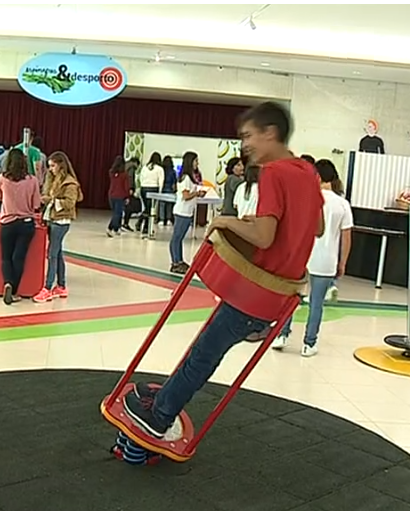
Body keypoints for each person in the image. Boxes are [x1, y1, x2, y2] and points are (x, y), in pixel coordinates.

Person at [123, 101, 325, 439]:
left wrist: (224, 220)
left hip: (254, 295)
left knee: (203, 354)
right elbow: (316, 227)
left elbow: (264, 236)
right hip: (279, 294)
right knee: (203, 348)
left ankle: (159, 416)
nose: (244, 145)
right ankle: (165, 395)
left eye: (248, 136)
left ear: (269, 133)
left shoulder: (274, 172)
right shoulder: (307, 171)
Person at [273, 159, 352, 357]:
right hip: (327, 260)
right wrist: (342, 262)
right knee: (316, 303)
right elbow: (346, 237)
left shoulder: (305, 199)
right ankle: (309, 343)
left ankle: (281, 335)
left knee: (291, 298)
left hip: (301, 256)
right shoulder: (342, 204)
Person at [34, 151, 83, 303]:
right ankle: (61, 286)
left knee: (52, 254)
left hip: (61, 222)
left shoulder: (70, 183)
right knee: (58, 253)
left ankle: (48, 288)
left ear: (61, 165)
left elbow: (69, 203)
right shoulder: (53, 179)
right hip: (52, 219)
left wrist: (51, 200)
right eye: (49, 166)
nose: (50, 169)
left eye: (53, 166)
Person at [0, 149, 41, 305]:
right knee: (19, 257)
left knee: (5, 257)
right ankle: (14, 290)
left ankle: (7, 283)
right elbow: (36, 204)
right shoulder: (32, 180)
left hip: (7, 223)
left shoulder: (2, 178)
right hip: (26, 223)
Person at [169, 152, 206, 274]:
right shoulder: (185, 178)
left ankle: (180, 260)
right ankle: (175, 262)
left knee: (179, 238)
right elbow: (185, 196)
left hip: (187, 211)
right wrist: (196, 193)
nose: (197, 163)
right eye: (196, 161)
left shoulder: (191, 178)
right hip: (182, 212)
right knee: (176, 238)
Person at [136, 152, 164, 239]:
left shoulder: (145, 167)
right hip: (153, 189)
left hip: (144, 188)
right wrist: (160, 192)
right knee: (150, 209)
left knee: (147, 208)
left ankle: (141, 223)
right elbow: (161, 181)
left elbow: (140, 178)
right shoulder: (159, 169)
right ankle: (145, 227)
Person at [107, 156, 130, 237]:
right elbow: (126, 187)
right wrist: (127, 196)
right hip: (120, 195)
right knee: (117, 213)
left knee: (116, 213)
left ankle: (117, 229)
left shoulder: (111, 173)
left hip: (111, 194)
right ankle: (110, 228)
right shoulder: (125, 175)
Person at [158, 156, 177, 227]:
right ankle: (169, 219)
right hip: (170, 190)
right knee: (169, 206)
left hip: (162, 190)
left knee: (162, 206)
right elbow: (174, 183)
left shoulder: (161, 170)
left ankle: (161, 220)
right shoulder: (173, 171)